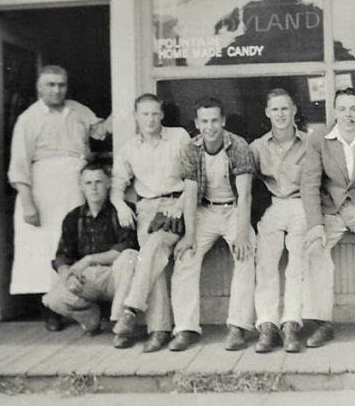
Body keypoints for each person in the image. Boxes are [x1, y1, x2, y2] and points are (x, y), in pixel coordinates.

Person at [7, 65, 110, 331]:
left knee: (74, 242)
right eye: (50, 85)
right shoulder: (29, 118)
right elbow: (19, 164)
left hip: (74, 185)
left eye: (61, 85)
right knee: (45, 246)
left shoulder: (78, 110)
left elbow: (100, 131)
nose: (56, 90)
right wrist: (28, 201)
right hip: (43, 190)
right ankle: (49, 307)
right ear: (39, 88)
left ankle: (78, 298)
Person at [301, 87, 355, 349]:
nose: (348, 114)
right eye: (342, 109)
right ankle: (321, 324)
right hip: (332, 209)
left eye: (354, 109)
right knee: (313, 249)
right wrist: (315, 225)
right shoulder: (319, 138)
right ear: (335, 111)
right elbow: (309, 184)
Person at [171, 97, 258, 352]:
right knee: (186, 257)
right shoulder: (192, 149)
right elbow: (190, 192)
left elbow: (245, 195)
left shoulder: (239, 146)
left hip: (233, 210)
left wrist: (242, 234)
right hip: (204, 210)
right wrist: (189, 235)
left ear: (223, 121)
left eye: (214, 121)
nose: (210, 127)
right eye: (204, 121)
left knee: (246, 254)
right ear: (197, 123)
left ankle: (237, 327)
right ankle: (186, 328)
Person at [110, 94, 190, 352]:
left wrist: (181, 204)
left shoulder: (178, 137)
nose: (150, 119)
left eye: (155, 113)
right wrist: (121, 205)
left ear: (162, 115)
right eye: (145, 114)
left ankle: (131, 309)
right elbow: (117, 186)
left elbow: (195, 176)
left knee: (153, 248)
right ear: (136, 117)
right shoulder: (129, 148)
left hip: (178, 206)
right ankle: (158, 330)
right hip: (147, 210)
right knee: (152, 258)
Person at [41, 162, 139, 336]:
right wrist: (67, 276)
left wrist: (88, 259)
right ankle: (91, 317)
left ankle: (118, 320)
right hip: (87, 279)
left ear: (109, 183)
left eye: (98, 182)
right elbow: (62, 256)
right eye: (88, 183)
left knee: (130, 257)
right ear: (81, 186)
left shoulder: (123, 211)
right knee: (52, 299)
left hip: (114, 277)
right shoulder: (73, 217)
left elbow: (126, 247)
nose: (93, 188)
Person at [249, 89, 308, 353]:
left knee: (297, 265)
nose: (281, 115)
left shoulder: (309, 143)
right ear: (267, 113)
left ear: (294, 110)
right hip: (272, 204)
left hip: (300, 204)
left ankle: (291, 325)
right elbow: (248, 184)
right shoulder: (257, 146)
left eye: (285, 109)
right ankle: (267, 325)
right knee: (266, 265)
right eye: (275, 110)